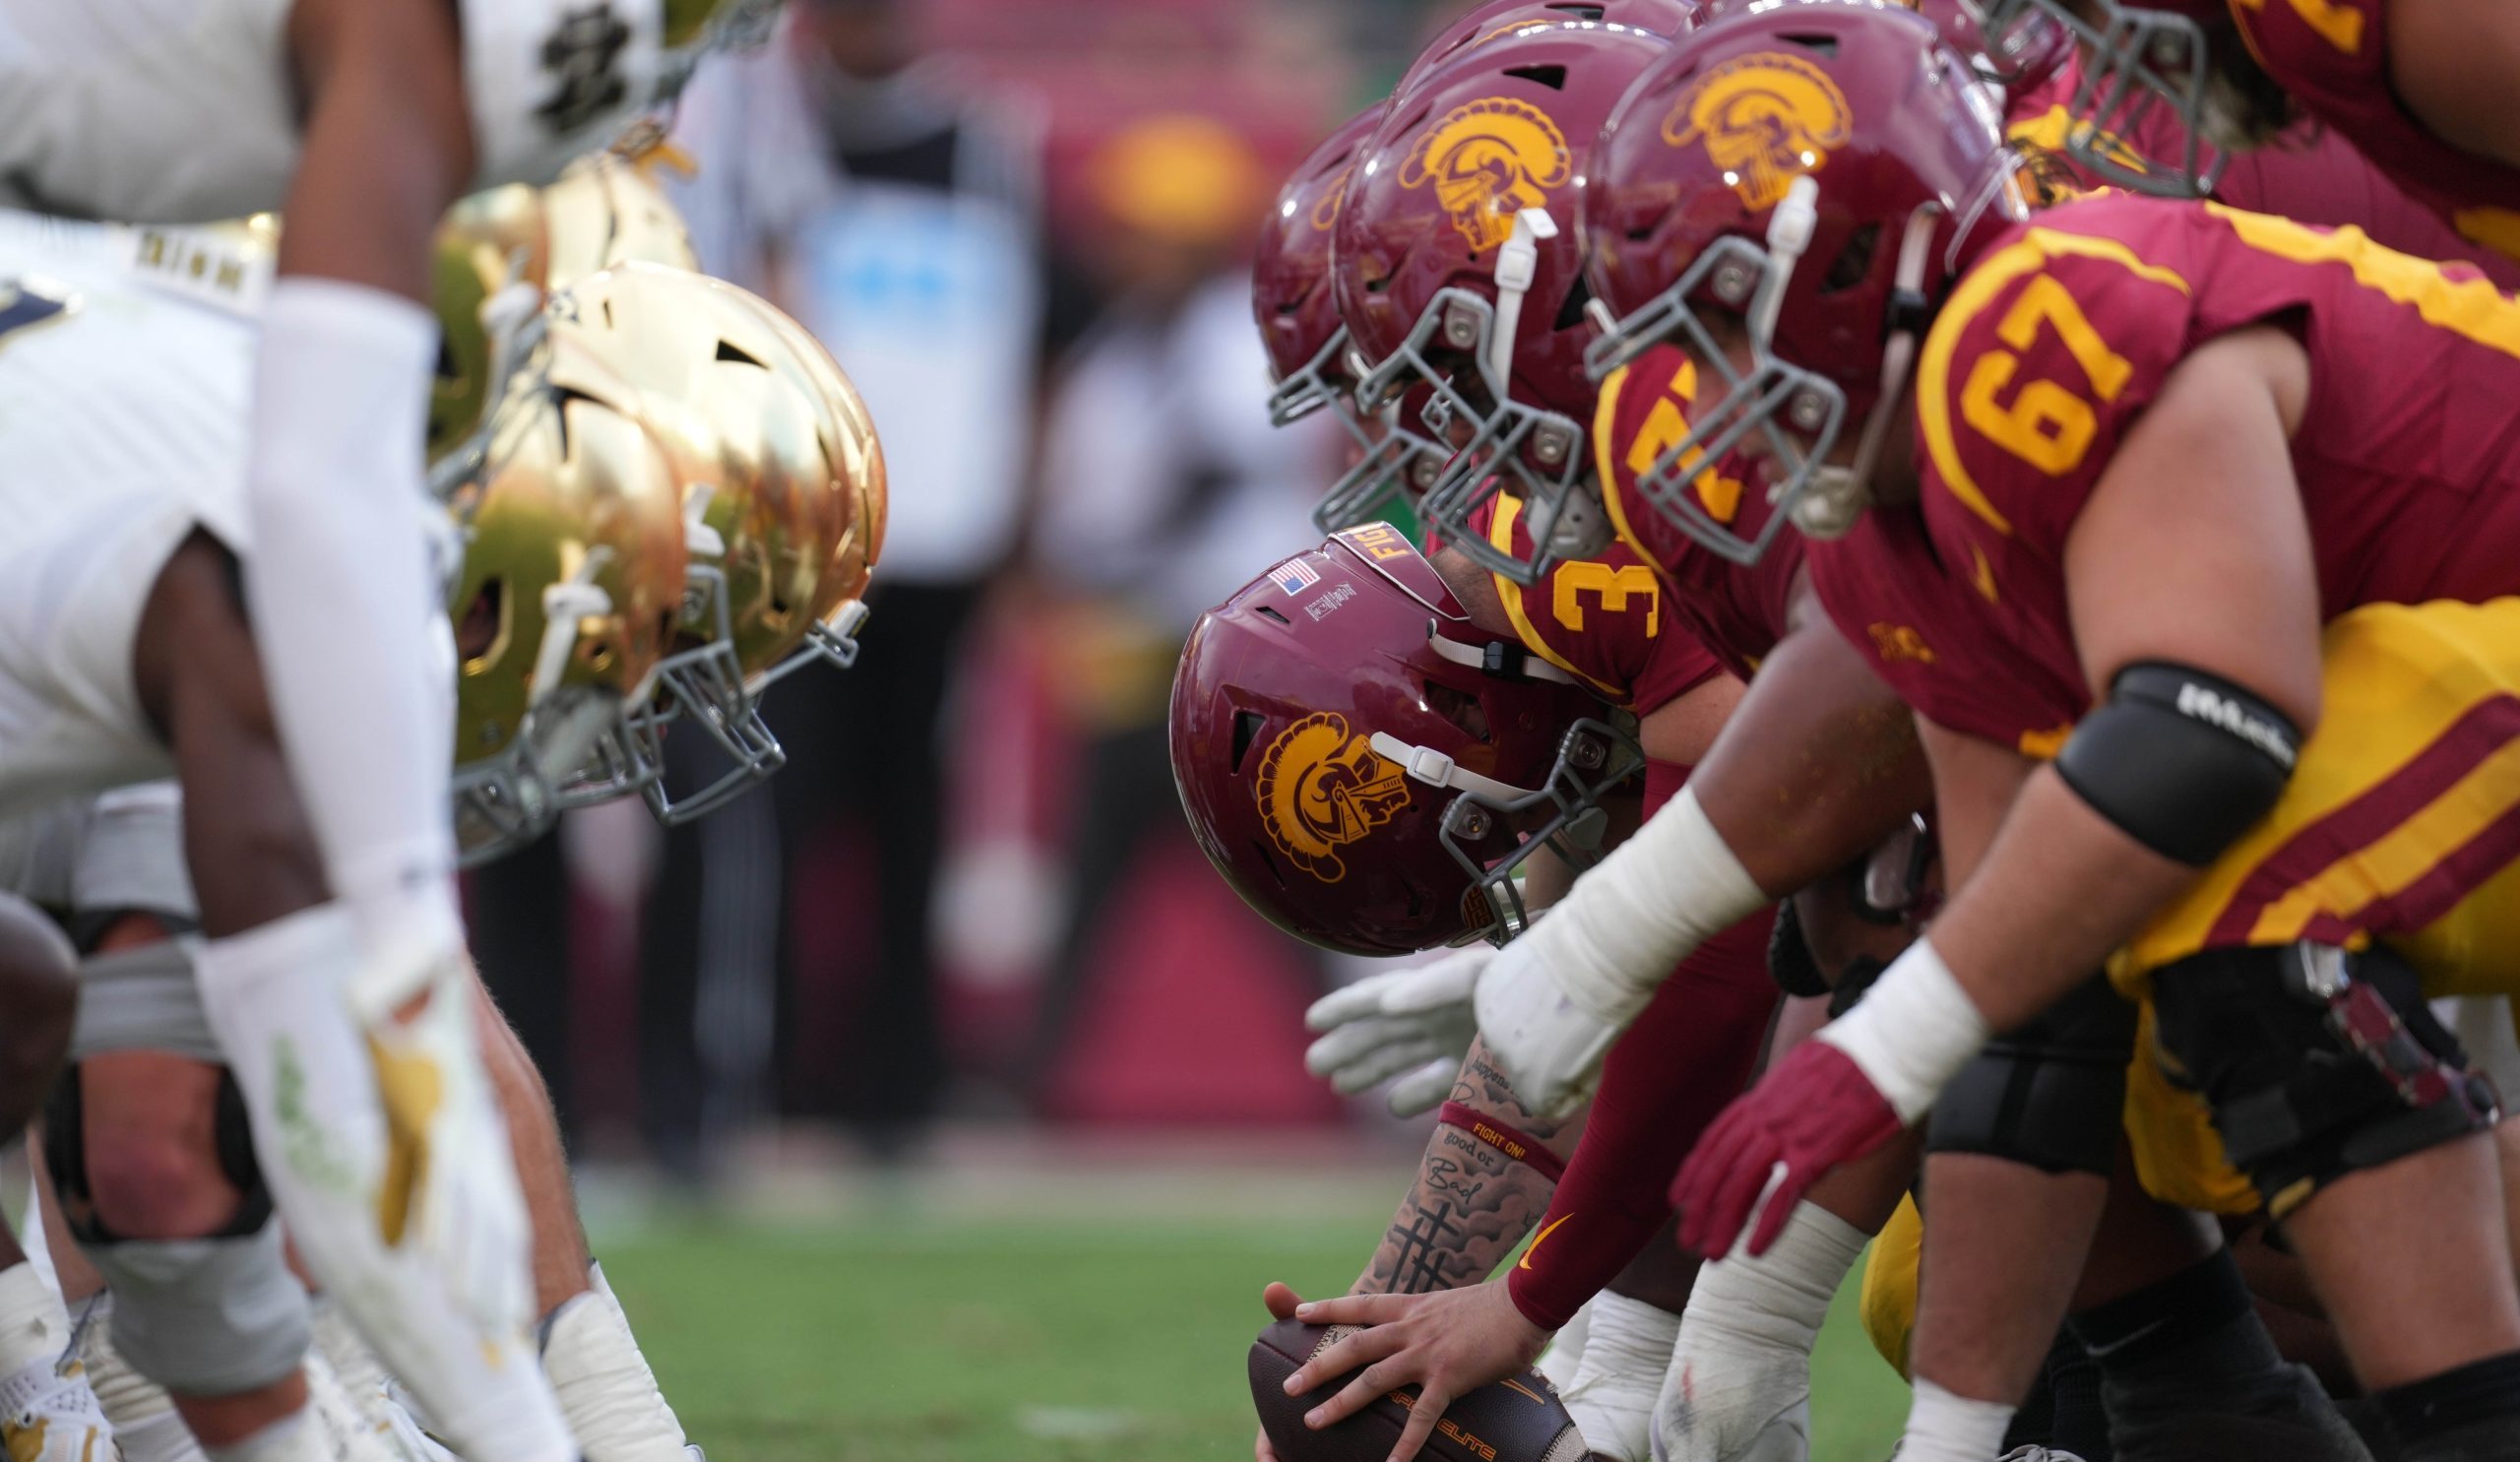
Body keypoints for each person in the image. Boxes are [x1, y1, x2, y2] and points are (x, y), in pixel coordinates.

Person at [655, 0, 1056, 1157]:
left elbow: (1034, 340)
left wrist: (1016, 515)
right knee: (777, 801)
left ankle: (897, 1088)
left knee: (908, 814)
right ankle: (773, 1075)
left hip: (940, 537)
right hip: (805, 533)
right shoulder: (759, 132)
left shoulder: (987, 146)